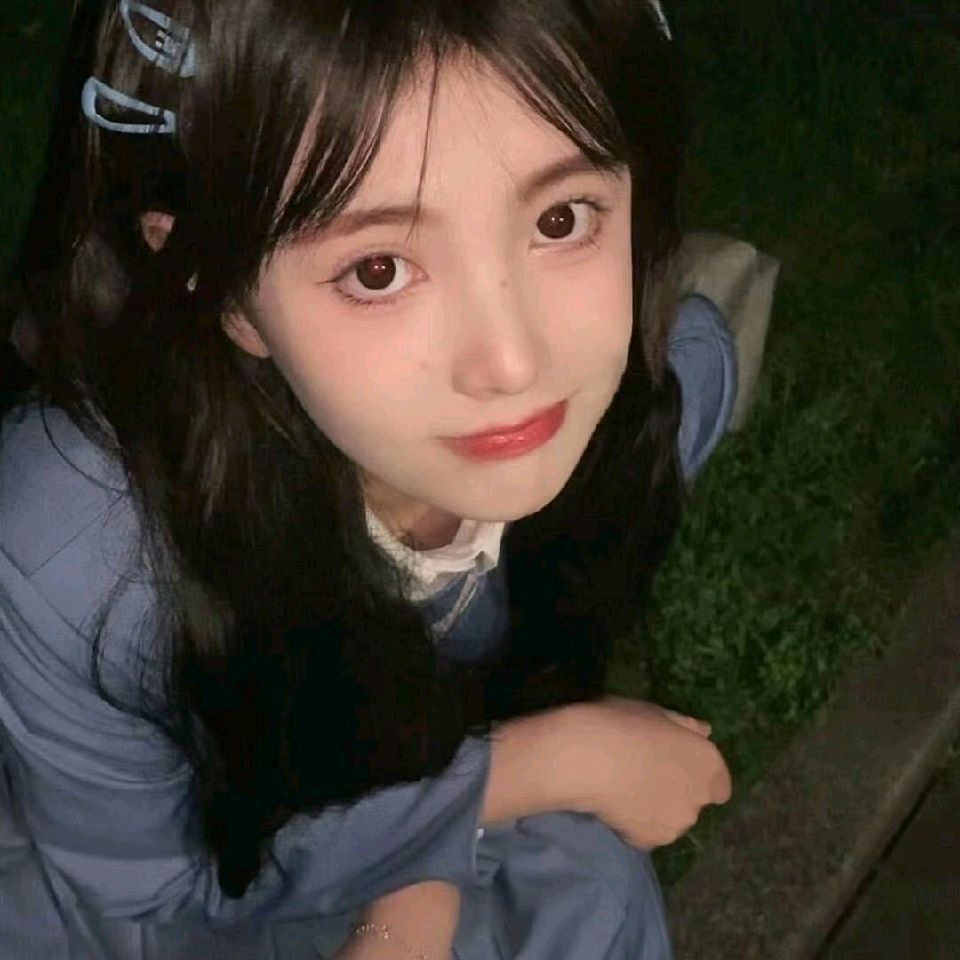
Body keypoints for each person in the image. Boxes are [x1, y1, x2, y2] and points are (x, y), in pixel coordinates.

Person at [0, 1, 735, 957]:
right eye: (379, 269)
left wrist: (420, 874)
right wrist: (535, 768)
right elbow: (154, 902)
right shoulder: (80, 552)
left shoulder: (664, 394)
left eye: (561, 219)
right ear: (217, 285)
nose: (512, 362)